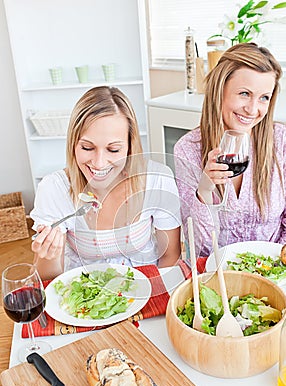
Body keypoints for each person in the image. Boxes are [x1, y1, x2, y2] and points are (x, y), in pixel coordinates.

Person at [31, 86, 181, 280]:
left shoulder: (157, 179)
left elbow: (170, 257)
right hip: (85, 297)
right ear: (73, 144)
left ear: (130, 146)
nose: (99, 163)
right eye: (87, 147)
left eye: (113, 150)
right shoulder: (54, 189)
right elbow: (47, 279)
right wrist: (47, 255)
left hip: (146, 288)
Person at [174, 43, 286, 257]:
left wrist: (271, 272)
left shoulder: (284, 142)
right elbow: (199, 248)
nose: (253, 110)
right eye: (244, 93)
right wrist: (204, 191)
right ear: (219, 90)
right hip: (218, 276)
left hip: (275, 271)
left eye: (264, 97)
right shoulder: (187, 150)